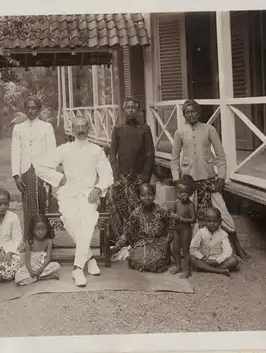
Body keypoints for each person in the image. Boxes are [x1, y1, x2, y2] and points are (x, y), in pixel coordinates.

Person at [34, 116, 114, 287]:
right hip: (68, 193)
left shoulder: (96, 150)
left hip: (88, 194)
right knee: (70, 219)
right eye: (77, 126)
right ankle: (90, 257)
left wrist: (98, 189)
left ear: (89, 128)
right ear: (72, 129)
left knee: (87, 220)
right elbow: (40, 166)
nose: (80, 129)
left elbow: (108, 174)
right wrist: (58, 177)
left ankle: (77, 268)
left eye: (84, 126)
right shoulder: (64, 149)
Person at [170, 99, 250, 261]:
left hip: (208, 181)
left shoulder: (209, 129)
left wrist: (221, 177)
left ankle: (237, 247)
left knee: (224, 213)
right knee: (188, 215)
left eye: (194, 111)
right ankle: (190, 252)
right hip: (189, 184)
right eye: (187, 112)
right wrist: (177, 180)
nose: (190, 114)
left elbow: (220, 157)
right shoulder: (180, 132)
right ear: (184, 115)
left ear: (199, 113)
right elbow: (174, 159)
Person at [107, 96, 155, 242]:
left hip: (139, 177)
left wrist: (145, 176)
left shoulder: (145, 129)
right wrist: (116, 177)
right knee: (117, 205)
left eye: (133, 107)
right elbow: (112, 155)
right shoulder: (118, 129)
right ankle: (120, 240)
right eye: (128, 107)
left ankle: (138, 239)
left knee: (139, 208)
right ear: (124, 109)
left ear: (138, 109)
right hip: (122, 176)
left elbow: (150, 153)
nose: (130, 110)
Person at [11, 97, 57, 238]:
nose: (31, 111)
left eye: (34, 108)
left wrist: (51, 174)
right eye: (28, 108)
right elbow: (15, 151)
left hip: (42, 170)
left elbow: (52, 152)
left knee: (43, 203)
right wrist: (16, 175)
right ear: (25, 110)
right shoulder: (18, 128)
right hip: (26, 171)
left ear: (39, 109)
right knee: (28, 204)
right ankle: (29, 238)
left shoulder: (46, 127)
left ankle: (45, 239)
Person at [111, 183, 177, 273]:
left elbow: (172, 223)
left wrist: (167, 240)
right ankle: (155, 266)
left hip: (159, 243)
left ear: (154, 196)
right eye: (143, 195)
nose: (147, 198)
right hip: (143, 244)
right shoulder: (135, 214)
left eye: (150, 194)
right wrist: (115, 248)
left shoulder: (162, 210)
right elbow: (127, 233)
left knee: (154, 260)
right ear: (139, 197)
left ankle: (158, 264)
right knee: (139, 262)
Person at [190, 207, 239, 276]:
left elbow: (227, 252)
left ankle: (206, 269)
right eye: (209, 221)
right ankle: (219, 270)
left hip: (218, 260)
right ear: (204, 221)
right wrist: (203, 258)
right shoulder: (200, 233)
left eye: (215, 221)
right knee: (192, 258)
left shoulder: (223, 234)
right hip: (204, 259)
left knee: (234, 260)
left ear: (220, 221)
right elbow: (193, 249)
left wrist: (217, 261)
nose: (212, 224)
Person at [15, 214, 61, 286]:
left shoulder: (49, 241)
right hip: (31, 266)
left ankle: (37, 277)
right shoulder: (29, 242)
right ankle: (45, 277)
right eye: (37, 229)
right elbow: (27, 259)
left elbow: (48, 259)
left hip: (43, 266)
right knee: (18, 278)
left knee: (57, 265)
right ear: (32, 230)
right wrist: (30, 271)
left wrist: (40, 270)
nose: (41, 232)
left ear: (47, 229)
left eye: (43, 229)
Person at [171, 175, 197, 278]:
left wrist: (181, 219)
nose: (182, 195)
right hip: (176, 230)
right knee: (175, 249)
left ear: (190, 193)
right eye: (180, 192)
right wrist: (172, 215)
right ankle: (178, 266)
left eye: (185, 193)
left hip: (186, 230)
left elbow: (194, 219)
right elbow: (172, 213)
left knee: (185, 251)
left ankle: (188, 271)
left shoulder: (190, 205)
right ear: (176, 191)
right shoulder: (176, 202)